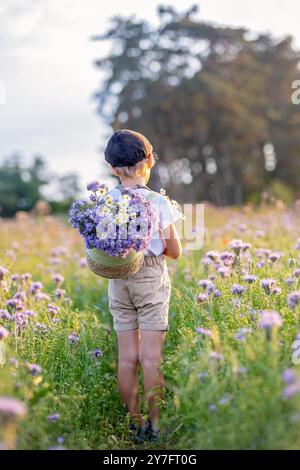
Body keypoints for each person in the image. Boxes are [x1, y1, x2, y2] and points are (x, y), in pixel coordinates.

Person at [104, 129, 182, 442]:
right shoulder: (156, 201)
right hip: (150, 279)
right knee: (151, 359)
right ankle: (156, 425)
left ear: (112, 168)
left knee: (127, 359)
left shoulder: (106, 202)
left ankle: (133, 424)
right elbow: (174, 251)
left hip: (118, 279)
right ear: (149, 160)